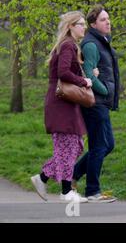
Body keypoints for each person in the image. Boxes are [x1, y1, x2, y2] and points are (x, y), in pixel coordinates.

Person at [30, 11, 91, 203]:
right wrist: (83, 81)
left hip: (65, 103)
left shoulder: (70, 46)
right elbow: (63, 72)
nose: (84, 27)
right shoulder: (67, 46)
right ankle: (66, 191)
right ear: (71, 26)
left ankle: (43, 178)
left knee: (75, 145)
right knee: (68, 145)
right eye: (81, 24)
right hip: (61, 103)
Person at [72, 5, 120, 203]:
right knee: (100, 146)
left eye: (108, 18)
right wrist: (105, 90)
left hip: (101, 103)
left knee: (108, 145)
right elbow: (90, 73)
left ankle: (73, 175)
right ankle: (93, 191)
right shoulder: (91, 44)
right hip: (94, 103)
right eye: (103, 19)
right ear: (93, 24)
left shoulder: (101, 42)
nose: (108, 22)